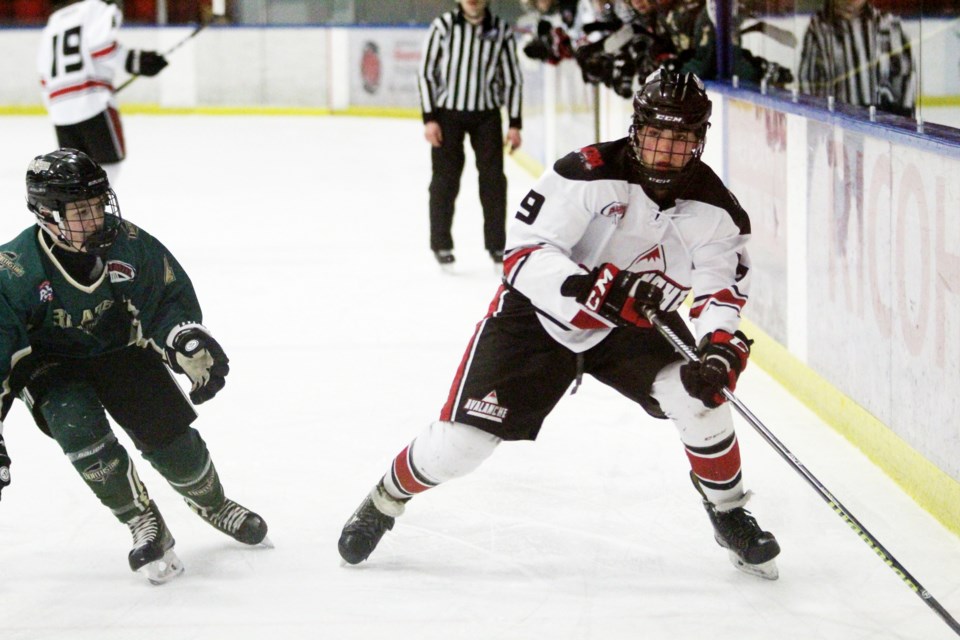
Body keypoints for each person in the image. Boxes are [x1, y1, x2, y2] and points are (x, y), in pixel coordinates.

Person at [339, 70, 781, 580]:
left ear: (700, 141)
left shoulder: (718, 211)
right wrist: (590, 289)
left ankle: (728, 516)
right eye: (657, 134)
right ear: (636, 129)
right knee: (461, 447)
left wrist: (720, 346)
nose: (665, 151)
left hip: (633, 325)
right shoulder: (587, 172)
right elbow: (524, 254)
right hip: (538, 317)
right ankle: (385, 500)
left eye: (681, 140)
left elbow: (718, 293)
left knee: (701, 396)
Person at [0, 148, 268, 584]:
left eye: (97, 206)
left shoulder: (128, 244)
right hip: (51, 365)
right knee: (79, 432)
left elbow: (163, 300)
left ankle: (213, 503)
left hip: (118, 348)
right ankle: (142, 520)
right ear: (46, 215)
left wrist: (183, 336)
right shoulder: (14, 270)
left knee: (170, 437)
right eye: (80, 211)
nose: (97, 219)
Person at [418, 0, 524, 268]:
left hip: (486, 115)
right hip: (447, 115)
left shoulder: (500, 29)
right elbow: (426, 73)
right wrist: (429, 118)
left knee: (493, 182)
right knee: (445, 180)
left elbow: (512, 78)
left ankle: (497, 245)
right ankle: (441, 243)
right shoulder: (443, 26)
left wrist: (514, 123)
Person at [37, 0, 169, 185]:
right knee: (109, 165)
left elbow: (44, 78)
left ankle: (72, 212)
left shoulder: (52, 24)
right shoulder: (96, 7)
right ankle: (94, 211)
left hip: (60, 111)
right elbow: (101, 47)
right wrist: (135, 61)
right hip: (93, 105)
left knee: (75, 173)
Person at [798, 0, 915, 117]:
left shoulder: (888, 26)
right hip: (835, 125)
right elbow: (807, 81)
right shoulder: (819, 28)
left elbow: (906, 79)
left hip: (881, 127)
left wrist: (897, 122)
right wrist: (818, 121)